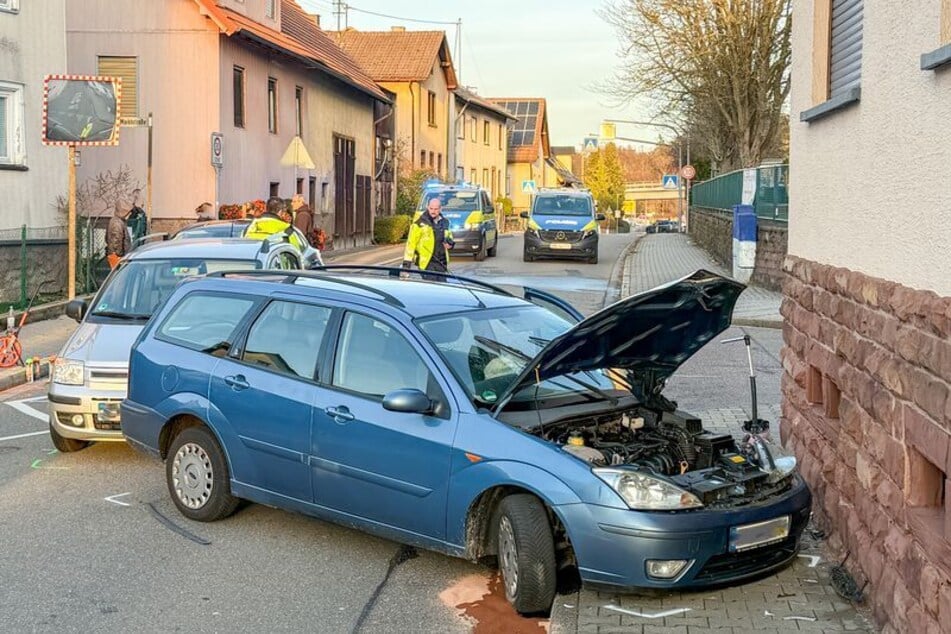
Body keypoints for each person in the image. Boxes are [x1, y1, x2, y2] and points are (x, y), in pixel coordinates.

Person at [402, 196, 454, 280]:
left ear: (440, 209)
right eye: (431, 208)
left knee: (443, 289)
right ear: (427, 207)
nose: (433, 211)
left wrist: (450, 243)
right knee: (432, 288)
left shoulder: (445, 222)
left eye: (436, 209)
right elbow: (411, 245)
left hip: (441, 262)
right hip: (426, 263)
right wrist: (406, 266)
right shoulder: (419, 223)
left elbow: (449, 237)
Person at [106, 199, 132, 269]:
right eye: (128, 212)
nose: (130, 214)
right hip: (117, 257)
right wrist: (119, 256)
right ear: (123, 212)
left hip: (118, 256)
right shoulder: (117, 223)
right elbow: (116, 241)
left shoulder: (118, 221)